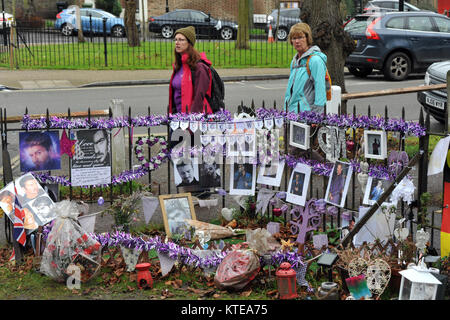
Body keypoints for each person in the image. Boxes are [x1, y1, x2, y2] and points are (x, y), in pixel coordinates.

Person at [168, 26, 214, 114]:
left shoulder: (199, 67)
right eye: (176, 39)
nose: (177, 43)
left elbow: (199, 96)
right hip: (179, 118)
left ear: (189, 43)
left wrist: (191, 119)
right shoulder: (179, 65)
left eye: (181, 40)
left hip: (196, 120)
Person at [284, 23, 327, 113]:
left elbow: (320, 90)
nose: (297, 41)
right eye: (294, 38)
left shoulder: (315, 60)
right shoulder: (294, 61)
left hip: (307, 115)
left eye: (300, 37)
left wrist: (316, 116)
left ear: (307, 38)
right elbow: (290, 91)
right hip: (292, 113)